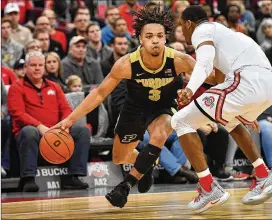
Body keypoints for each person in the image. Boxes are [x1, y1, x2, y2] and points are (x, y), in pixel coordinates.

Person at [51, 6, 216, 208]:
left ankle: (125, 186)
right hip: (135, 109)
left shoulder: (179, 60)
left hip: (163, 107)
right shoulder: (126, 64)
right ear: (140, 39)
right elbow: (100, 93)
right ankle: (145, 167)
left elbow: (212, 77)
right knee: (120, 157)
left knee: (161, 132)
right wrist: (69, 120)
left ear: (165, 38)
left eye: (159, 35)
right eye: (149, 36)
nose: (155, 40)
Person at [171, 6, 272, 214]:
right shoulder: (225, 35)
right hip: (265, 85)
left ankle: (209, 188)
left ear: (189, 23)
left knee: (180, 121)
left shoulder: (202, 30)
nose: (183, 31)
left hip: (246, 81)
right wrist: (242, 109)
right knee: (231, 121)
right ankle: (263, 174)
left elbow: (205, 63)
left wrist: (190, 89)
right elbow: (218, 80)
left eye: (182, 26)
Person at [7, 51, 91, 192]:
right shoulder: (16, 87)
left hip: (56, 131)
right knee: (29, 131)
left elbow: (66, 109)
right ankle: (28, 178)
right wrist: (39, 126)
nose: (37, 68)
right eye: (33, 65)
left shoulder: (54, 86)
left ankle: (74, 176)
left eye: (40, 65)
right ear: (26, 67)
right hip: (31, 132)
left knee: (82, 130)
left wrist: (63, 125)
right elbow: (18, 113)